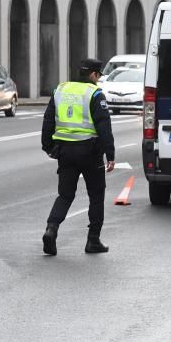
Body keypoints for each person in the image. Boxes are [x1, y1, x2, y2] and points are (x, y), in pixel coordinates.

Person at [41, 58, 115, 255]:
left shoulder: (61, 90)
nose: (98, 80)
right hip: (90, 152)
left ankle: (51, 228)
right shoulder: (95, 94)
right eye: (98, 76)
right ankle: (93, 241)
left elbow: (48, 120)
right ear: (93, 74)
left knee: (65, 195)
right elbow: (103, 126)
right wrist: (110, 154)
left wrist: (48, 146)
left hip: (65, 152)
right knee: (96, 196)